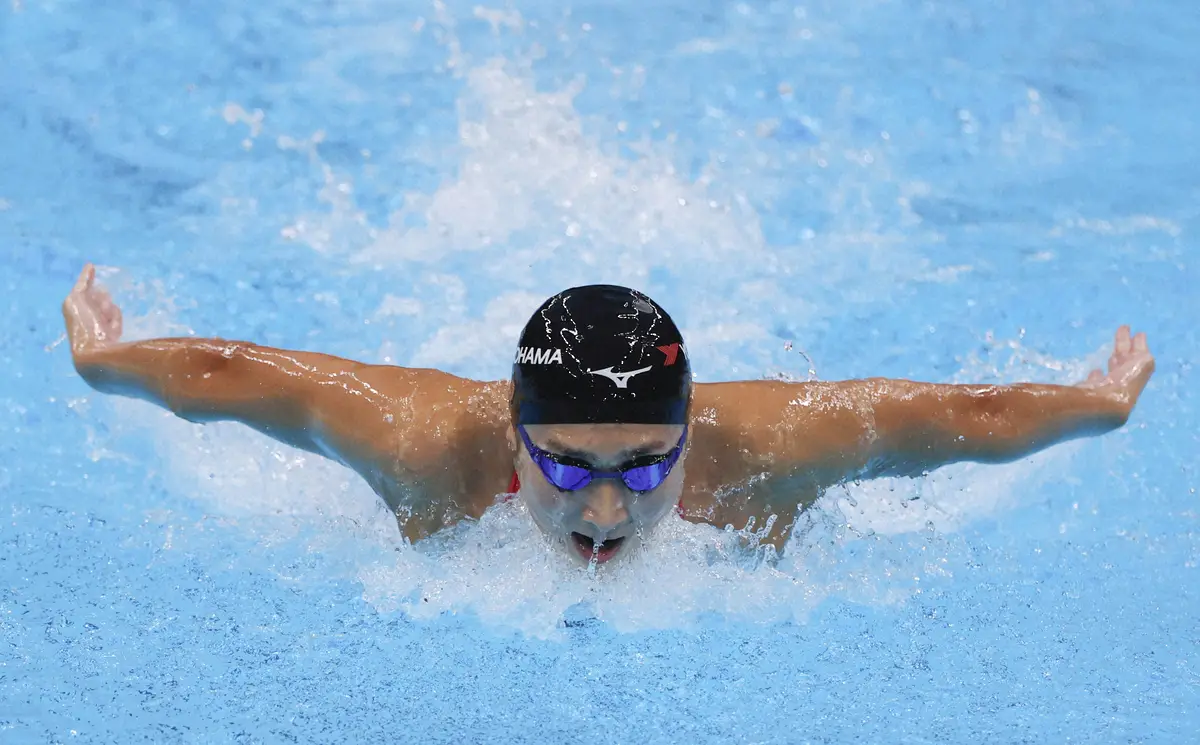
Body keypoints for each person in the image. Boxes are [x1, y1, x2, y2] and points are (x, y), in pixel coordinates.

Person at [62, 264, 1155, 566]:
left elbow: (972, 412)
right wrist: (106, 362)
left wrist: (1100, 409)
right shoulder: (421, 441)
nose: (603, 508)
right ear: (511, 432)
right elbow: (231, 373)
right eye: (567, 466)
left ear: (687, 436)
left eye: (643, 467)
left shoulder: (774, 450)